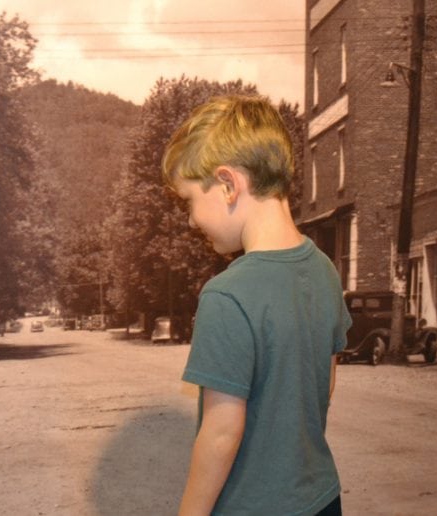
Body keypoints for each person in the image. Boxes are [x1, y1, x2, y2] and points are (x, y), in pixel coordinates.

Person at [162, 95, 350, 515]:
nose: (191, 220)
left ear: (227, 184)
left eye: (189, 200)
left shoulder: (227, 294)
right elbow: (324, 387)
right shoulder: (324, 270)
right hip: (321, 499)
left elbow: (221, 433)